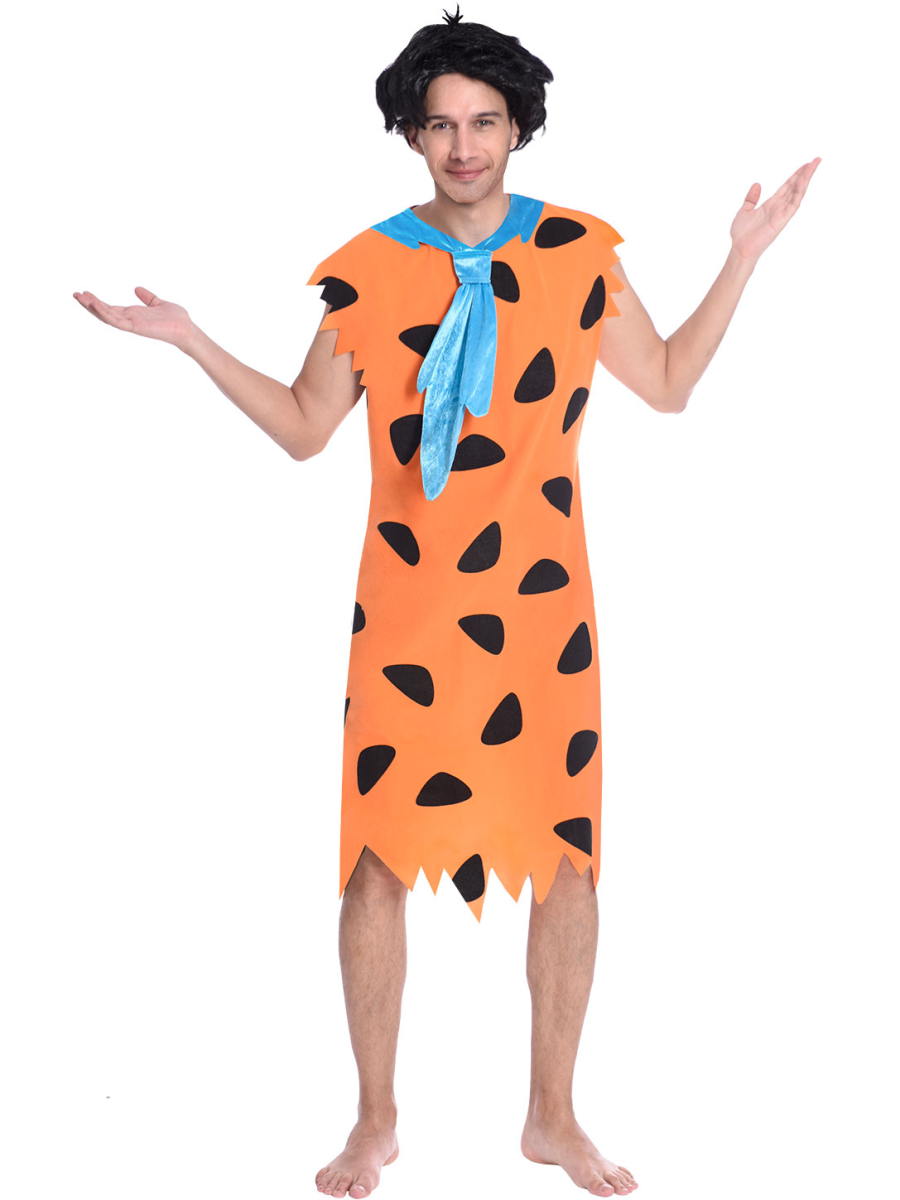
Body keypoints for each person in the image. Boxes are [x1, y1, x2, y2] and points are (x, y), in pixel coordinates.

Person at [73, 7, 820, 1198]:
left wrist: (743, 258)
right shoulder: (368, 269)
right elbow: (308, 430)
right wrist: (193, 341)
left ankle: (553, 1117)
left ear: (518, 127)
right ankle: (374, 1121)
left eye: (484, 122)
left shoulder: (579, 254)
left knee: (568, 860)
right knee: (375, 860)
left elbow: (670, 383)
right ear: (412, 136)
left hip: (543, 615)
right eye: (441, 126)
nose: (463, 146)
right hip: (407, 614)